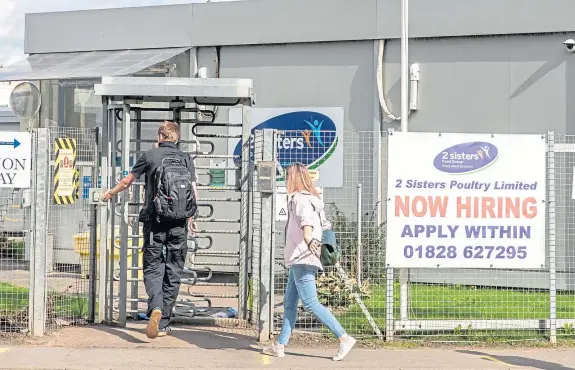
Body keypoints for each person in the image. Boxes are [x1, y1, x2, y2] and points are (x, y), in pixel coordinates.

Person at [101, 121, 198, 339]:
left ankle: (155, 306)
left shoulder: (150, 156)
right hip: (180, 223)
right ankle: (163, 323)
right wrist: (192, 217)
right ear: (177, 138)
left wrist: (109, 193)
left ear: (161, 136)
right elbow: (193, 189)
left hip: (155, 222)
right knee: (173, 270)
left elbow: (127, 181)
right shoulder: (186, 158)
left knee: (154, 267)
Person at [263, 163, 356, 361]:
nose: (285, 180)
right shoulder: (314, 200)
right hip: (302, 258)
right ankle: (280, 345)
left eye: (288, 176)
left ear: (294, 178)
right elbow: (325, 226)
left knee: (311, 303)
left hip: (303, 257)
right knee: (289, 303)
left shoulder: (300, 200)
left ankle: (344, 337)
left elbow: (307, 227)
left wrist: (309, 241)